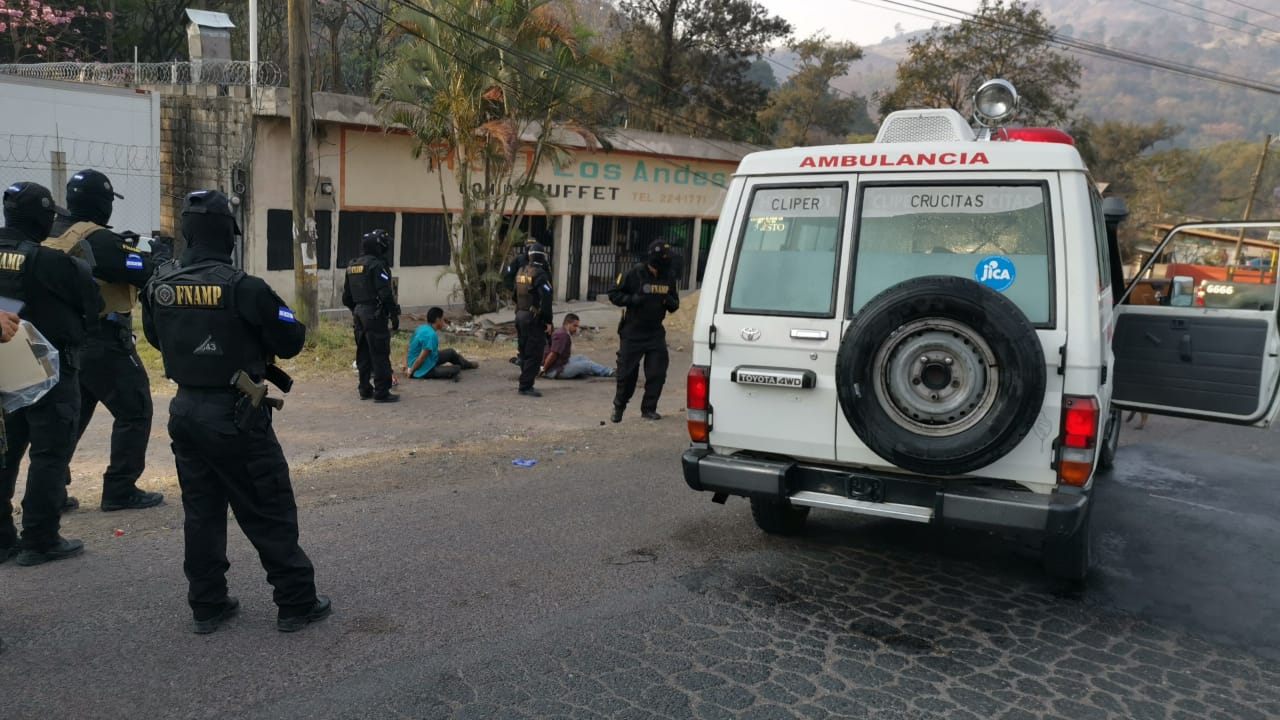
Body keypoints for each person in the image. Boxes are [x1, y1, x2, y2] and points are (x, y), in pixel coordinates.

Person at [141, 189, 330, 634]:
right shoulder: (245, 288)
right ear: (230, 234)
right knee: (268, 505)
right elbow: (293, 340)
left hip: (186, 411)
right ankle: (297, 601)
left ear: (187, 234)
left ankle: (207, 604)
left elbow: (155, 339)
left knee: (202, 511)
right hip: (235, 416)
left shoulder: (159, 286)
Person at [46, 169, 166, 512]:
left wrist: (122, 245)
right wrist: (153, 255)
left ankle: (51, 490)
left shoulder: (55, 232)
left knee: (75, 415)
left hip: (67, 340)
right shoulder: (99, 240)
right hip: (104, 340)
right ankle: (120, 488)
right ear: (103, 204)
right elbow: (142, 272)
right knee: (135, 408)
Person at [0, 181, 102, 566]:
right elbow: (91, 305)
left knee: (4, 454)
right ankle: (40, 539)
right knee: (49, 453)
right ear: (41, 217)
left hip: (3, 367)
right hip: (50, 369)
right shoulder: (54, 263)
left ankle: (2, 539)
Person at [608, 239, 679, 422]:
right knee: (627, 375)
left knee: (657, 372)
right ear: (655, 258)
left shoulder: (669, 276)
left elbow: (675, 304)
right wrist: (633, 299)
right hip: (633, 332)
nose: (668, 261)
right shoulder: (634, 273)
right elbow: (614, 294)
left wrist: (667, 301)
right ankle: (619, 406)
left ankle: (649, 409)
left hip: (655, 332)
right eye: (665, 257)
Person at [342, 229, 399, 403]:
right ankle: (382, 392)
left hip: (359, 313)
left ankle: (364, 389)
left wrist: (357, 310)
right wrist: (394, 314)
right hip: (374, 314)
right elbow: (386, 294)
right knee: (380, 353)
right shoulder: (376, 265)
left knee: (363, 353)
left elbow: (346, 297)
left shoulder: (352, 266)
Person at [514, 242, 553, 397]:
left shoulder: (520, 271)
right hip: (533, 319)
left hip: (520, 316)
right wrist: (548, 321)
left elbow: (514, 295)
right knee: (534, 353)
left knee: (523, 351)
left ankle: (525, 380)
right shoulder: (540, 274)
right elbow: (547, 300)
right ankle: (525, 386)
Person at [405, 307, 479, 381]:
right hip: (422, 370)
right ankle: (455, 370)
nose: (444, 322)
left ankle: (468, 365)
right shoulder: (430, 335)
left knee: (451, 352)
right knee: (456, 369)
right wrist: (410, 371)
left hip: (428, 360)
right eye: (443, 319)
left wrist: (407, 365)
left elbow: (408, 347)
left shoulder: (421, 328)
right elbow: (421, 358)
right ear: (438, 320)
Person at [503, 236, 540, 366]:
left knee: (535, 333)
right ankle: (522, 356)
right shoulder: (519, 260)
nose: (530, 250)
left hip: (535, 305)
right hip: (522, 304)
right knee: (522, 331)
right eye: (528, 247)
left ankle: (534, 357)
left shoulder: (540, 263)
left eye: (532, 247)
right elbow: (507, 274)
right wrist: (514, 293)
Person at [541, 313, 614, 379]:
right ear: (567, 324)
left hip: (560, 364)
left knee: (581, 357)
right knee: (587, 364)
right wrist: (544, 370)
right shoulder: (562, 335)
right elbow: (553, 354)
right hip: (556, 370)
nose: (576, 329)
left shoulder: (563, 332)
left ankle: (600, 370)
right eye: (574, 326)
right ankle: (609, 372)